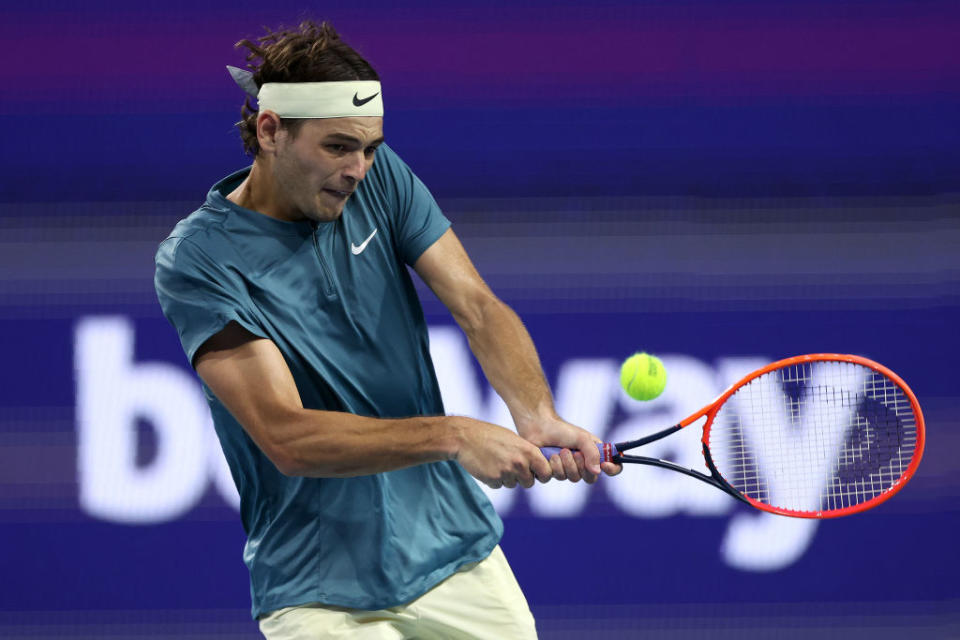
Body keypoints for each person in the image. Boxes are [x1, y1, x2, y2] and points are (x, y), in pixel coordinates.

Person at [154, 20, 620, 639]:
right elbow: (287, 437)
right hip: (321, 592)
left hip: (456, 554)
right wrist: (454, 435)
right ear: (270, 131)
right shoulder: (200, 260)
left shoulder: (380, 180)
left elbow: (477, 305)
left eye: (371, 147)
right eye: (338, 146)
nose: (359, 168)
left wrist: (536, 413)